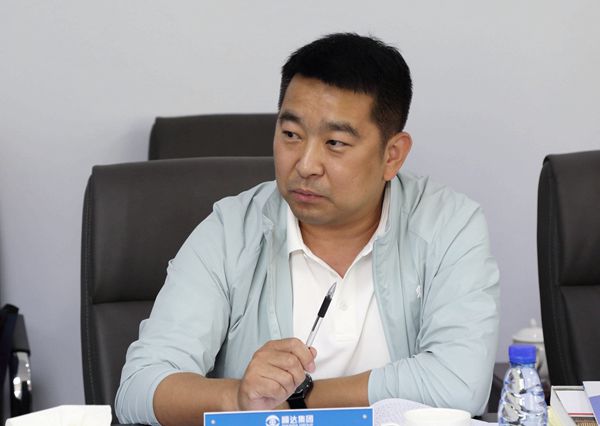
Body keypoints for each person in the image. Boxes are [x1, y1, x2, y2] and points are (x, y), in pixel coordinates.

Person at [116, 33, 500, 426]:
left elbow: (458, 385)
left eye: (335, 143)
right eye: (291, 135)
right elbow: (138, 389)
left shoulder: (448, 226)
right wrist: (239, 397)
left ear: (392, 155)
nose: (305, 164)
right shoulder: (230, 231)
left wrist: (296, 400)